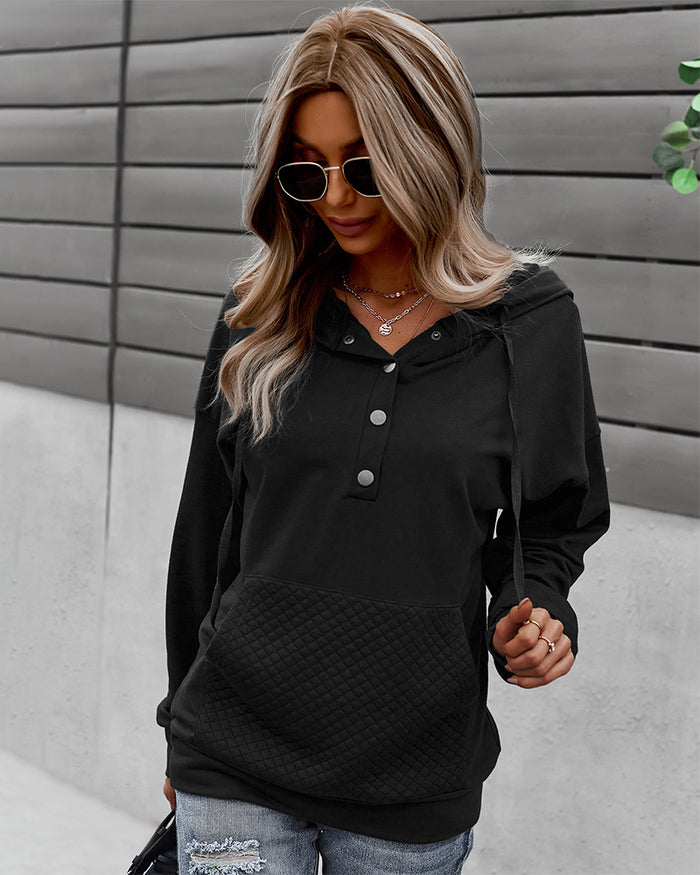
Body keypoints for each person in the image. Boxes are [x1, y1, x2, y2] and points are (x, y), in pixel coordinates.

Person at [155, 5, 611, 874]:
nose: (334, 198)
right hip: (231, 754)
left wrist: (536, 611)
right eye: (307, 170)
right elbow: (203, 538)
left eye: (363, 167)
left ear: (431, 150)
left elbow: (554, 519)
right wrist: (178, 720)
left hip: (414, 780)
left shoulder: (531, 321)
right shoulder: (258, 315)